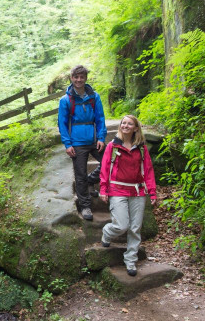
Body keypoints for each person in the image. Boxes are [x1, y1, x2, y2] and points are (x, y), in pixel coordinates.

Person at [99, 115, 157, 276]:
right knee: (121, 225)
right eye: (123, 123)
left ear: (135, 128)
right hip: (117, 190)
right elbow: (104, 169)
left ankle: (131, 260)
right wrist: (104, 189)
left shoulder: (141, 148)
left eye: (129, 124)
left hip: (137, 191)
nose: (125, 125)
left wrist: (152, 192)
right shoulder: (113, 146)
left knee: (135, 228)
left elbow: (148, 170)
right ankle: (107, 232)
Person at [58, 65, 107, 221]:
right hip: (77, 143)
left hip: (93, 140)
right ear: (71, 78)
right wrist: (67, 144)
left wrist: (101, 137)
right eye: (76, 77)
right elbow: (62, 124)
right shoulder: (66, 100)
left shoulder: (94, 97)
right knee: (80, 175)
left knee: (110, 162)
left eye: (82, 77)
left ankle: (91, 180)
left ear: (86, 78)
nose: (79, 80)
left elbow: (100, 118)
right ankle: (85, 206)